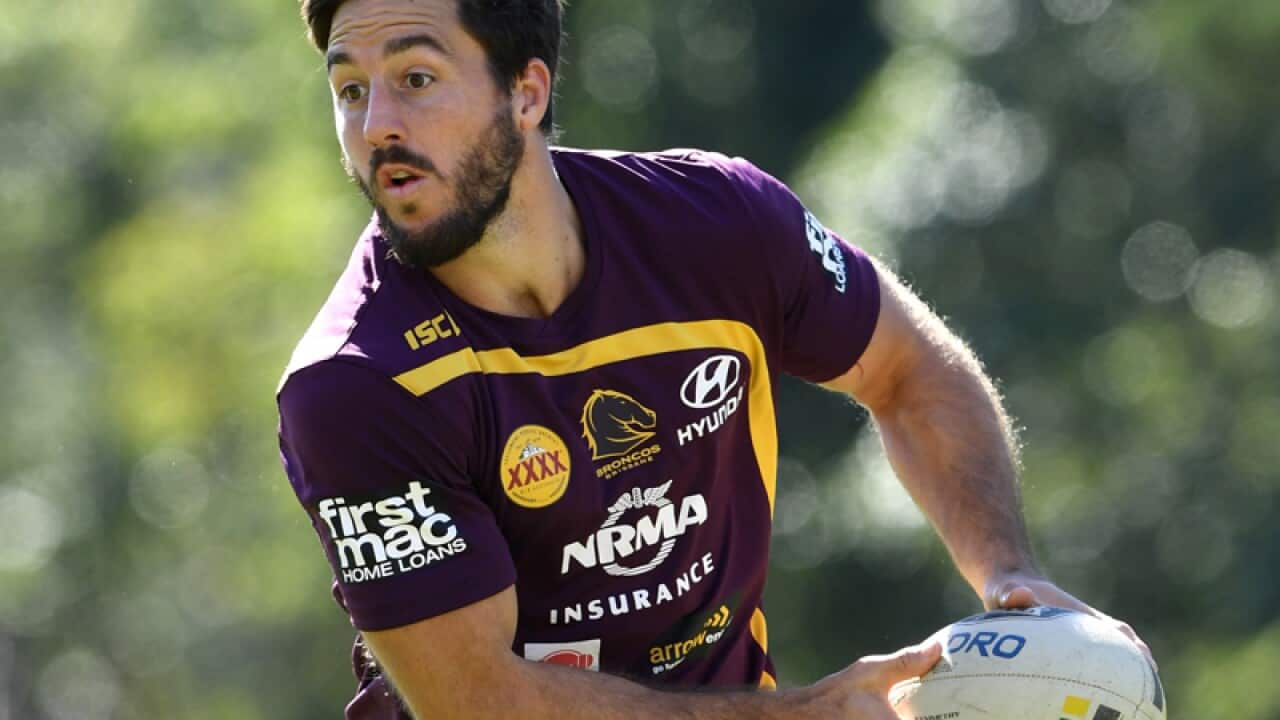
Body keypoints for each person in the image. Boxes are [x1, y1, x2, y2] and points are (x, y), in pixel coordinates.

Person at [276, 0, 1151, 717]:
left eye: (416, 80)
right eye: (350, 91)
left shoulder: (718, 226)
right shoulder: (355, 385)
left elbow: (907, 370)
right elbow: (481, 702)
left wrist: (1008, 573)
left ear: (527, 93)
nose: (376, 126)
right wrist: (805, 715)